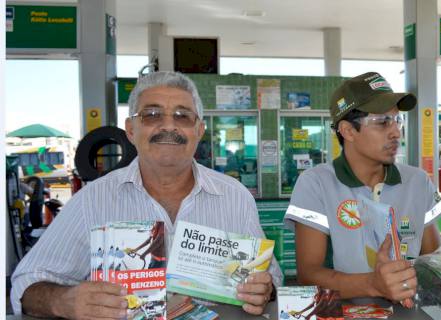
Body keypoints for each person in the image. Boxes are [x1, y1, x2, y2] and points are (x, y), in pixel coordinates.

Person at [11, 71, 282, 318]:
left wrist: (263, 289)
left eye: (182, 115)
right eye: (152, 115)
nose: (168, 127)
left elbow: (270, 277)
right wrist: (64, 301)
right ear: (131, 130)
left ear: (199, 130)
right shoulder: (93, 200)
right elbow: (26, 283)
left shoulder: (234, 196)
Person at [284, 72, 441, 302]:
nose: (396, 132)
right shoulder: (316, 183)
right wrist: (373, 284)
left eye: (397, 120)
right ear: (348, 131)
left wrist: (440, 265)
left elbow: (431, 262)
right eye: (382, 122)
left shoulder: (417, 182)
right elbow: (308, 276)